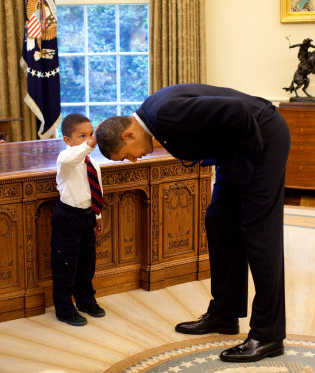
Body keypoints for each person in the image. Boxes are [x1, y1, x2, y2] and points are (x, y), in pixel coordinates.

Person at [96, 83, 290, 362]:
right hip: (238, 149)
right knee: (219, 222)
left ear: (128, 134)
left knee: (260, 235)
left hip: (262, 140)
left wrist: (251, 161)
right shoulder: (155, 117)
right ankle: (225, 313)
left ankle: (268, 335)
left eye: (127, 154)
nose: (133, 158)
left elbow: (239, 110)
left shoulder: (164, 113)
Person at [51, 114, 105, 326]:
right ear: (67, 140)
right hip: (68, 217)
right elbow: (70, 158)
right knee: (66, 265)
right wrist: (91, 144)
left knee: (86, 263)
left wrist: (98, 215)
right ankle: (64, 308)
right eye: (81, 136)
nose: (88, 139)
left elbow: (96, 188)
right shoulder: (65, 160)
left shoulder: (92, 163)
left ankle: (86, 300)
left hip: (87, 216)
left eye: (90, 135)